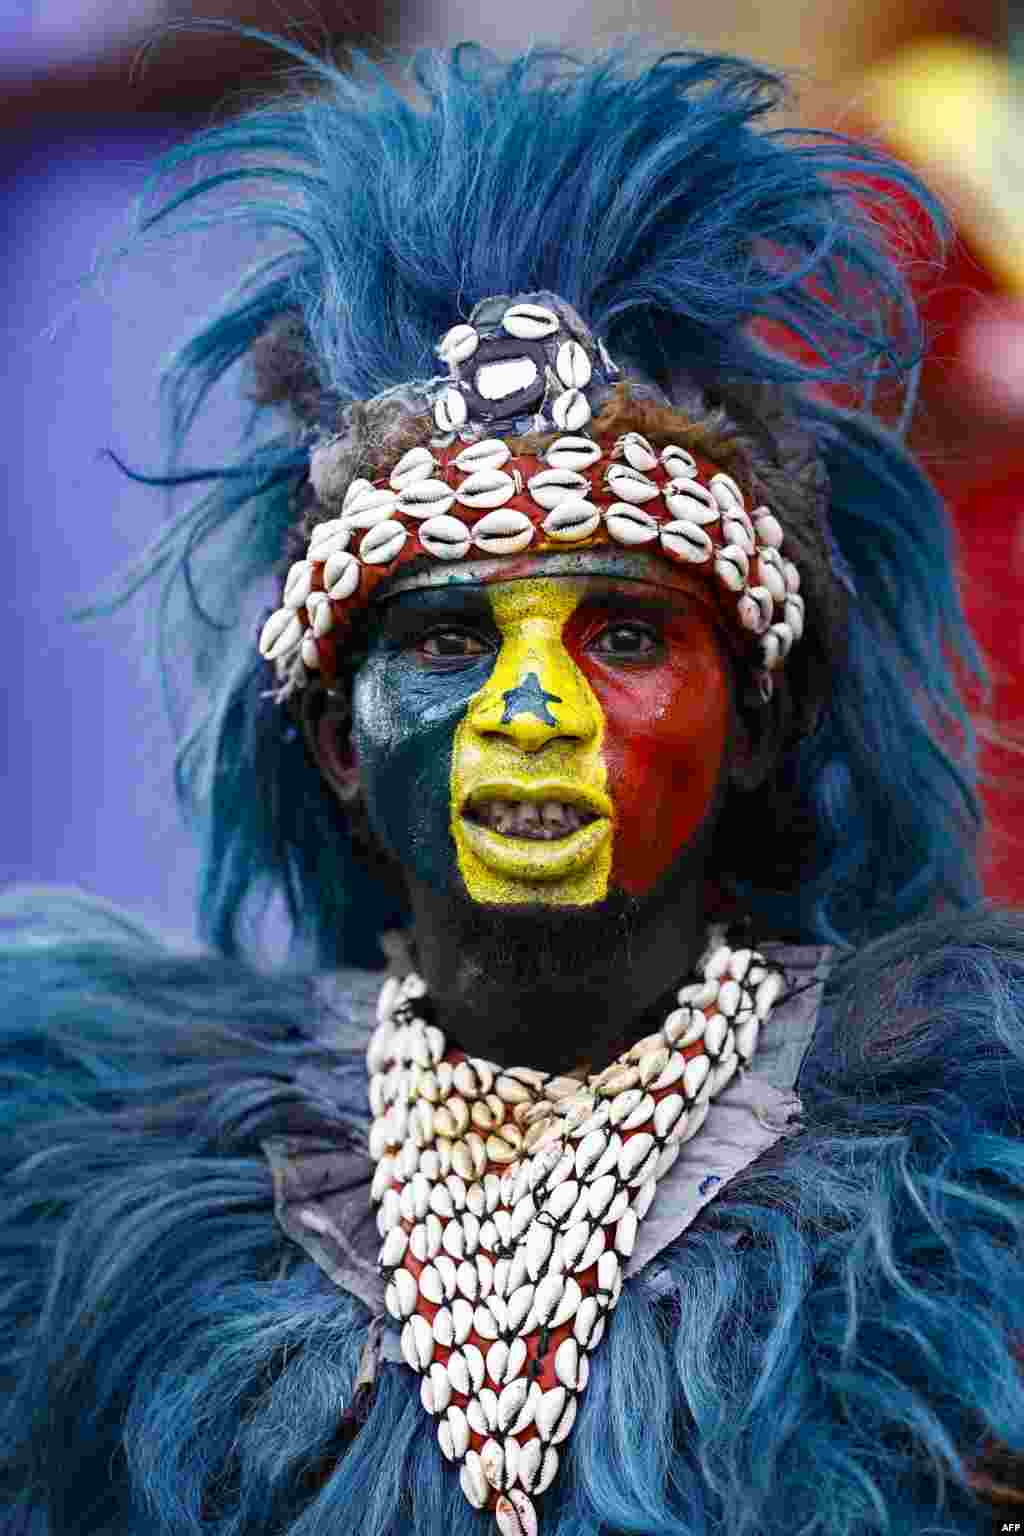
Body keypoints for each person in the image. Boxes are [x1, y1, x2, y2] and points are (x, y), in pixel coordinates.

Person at [3, 39, 1023, 1536]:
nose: (531, 711)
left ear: (754, 718)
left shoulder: (964, 1209)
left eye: (622, 634)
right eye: (441, 639)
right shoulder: (78, 1209)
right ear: (339, 736)